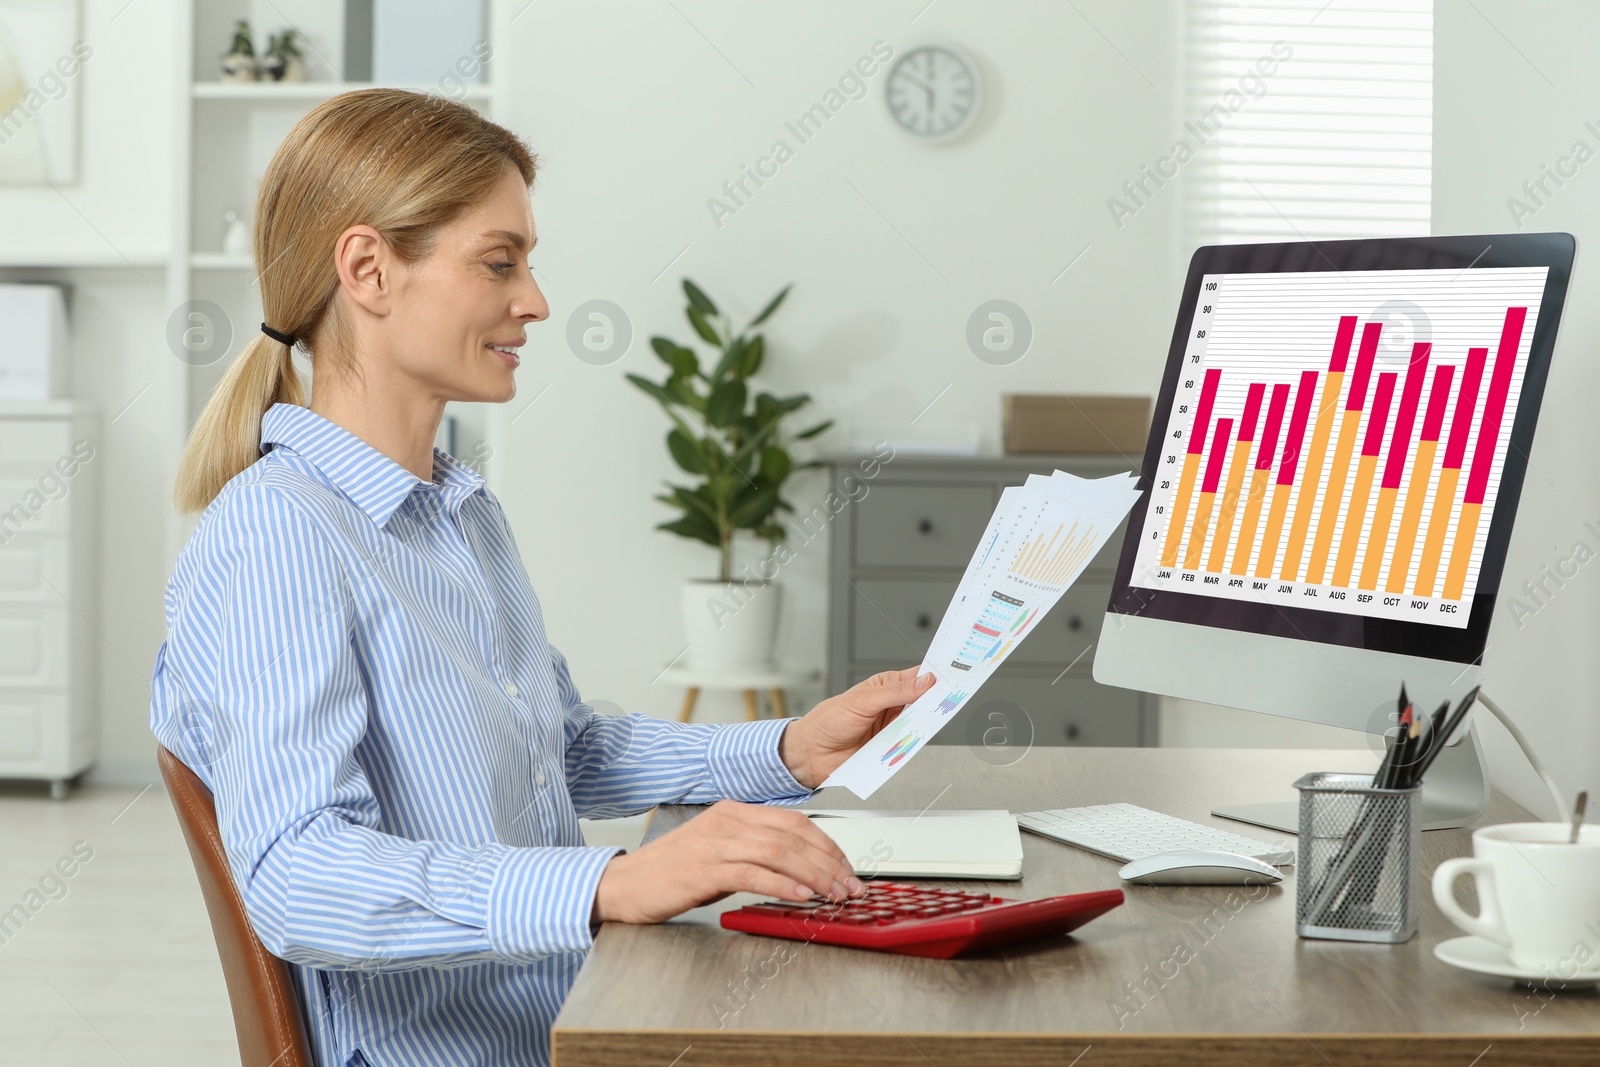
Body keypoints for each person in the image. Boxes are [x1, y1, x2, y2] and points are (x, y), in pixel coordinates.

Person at [148, 89, 934, 1067]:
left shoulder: (458, 512)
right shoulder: (276, 537)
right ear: (367, 269)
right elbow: (301, 876)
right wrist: (604, 884)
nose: (536, 299)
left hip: (573, 1008)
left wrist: (791, 747)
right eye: (498, 260)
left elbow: (561, 749)